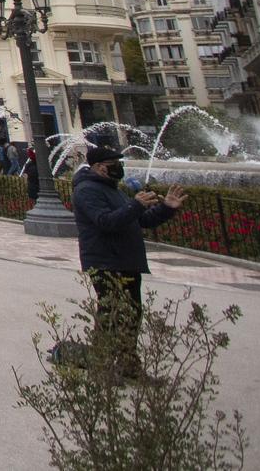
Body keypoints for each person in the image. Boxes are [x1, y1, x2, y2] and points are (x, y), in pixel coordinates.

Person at [72, 142, 185, 374]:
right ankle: (101, 365)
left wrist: (167, 208)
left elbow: (140, 220)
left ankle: (128, 366)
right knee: (111, 314)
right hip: (105, 261)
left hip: (125, 261)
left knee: (132, 314)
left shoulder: (113, 189)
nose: (118, 168)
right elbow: (105, 221)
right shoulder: (86, 190)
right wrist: (135, 205)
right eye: (114, 164)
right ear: (99, 167)